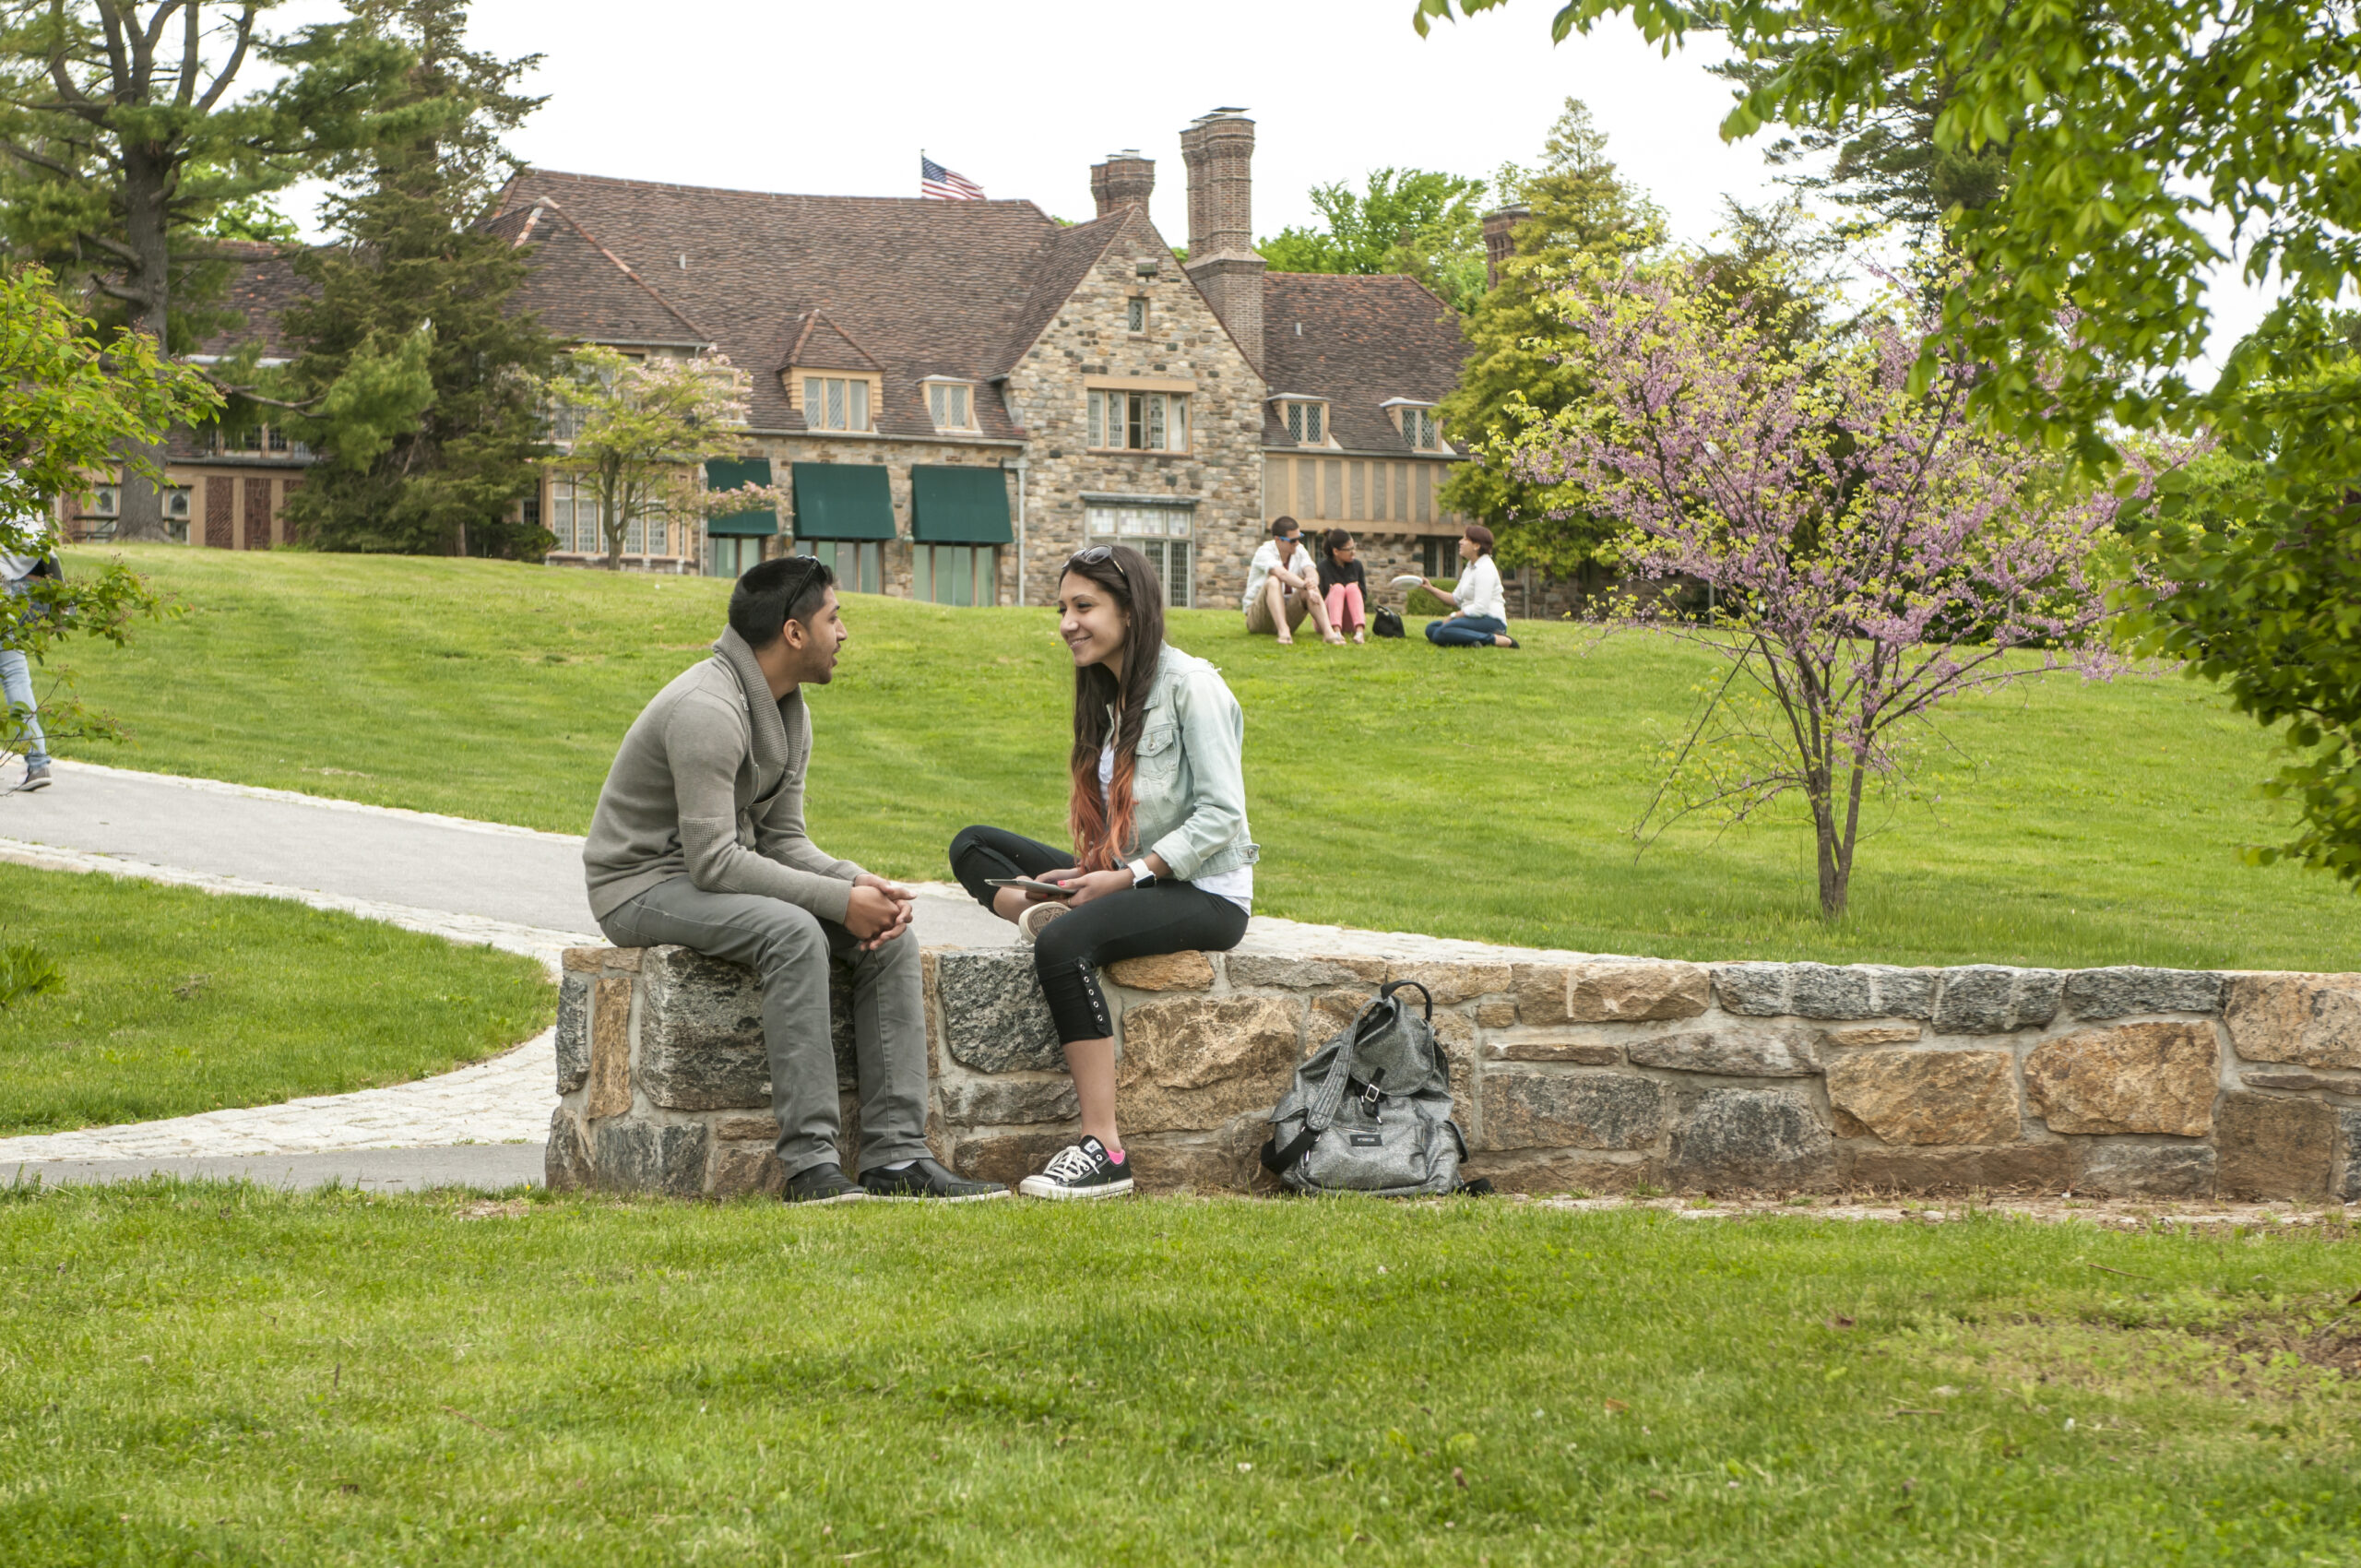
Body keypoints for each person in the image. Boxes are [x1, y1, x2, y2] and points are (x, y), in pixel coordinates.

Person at [585, 555, 1006, 1205]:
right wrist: (839, 902)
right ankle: (810, 1167)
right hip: (639, 886)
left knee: (888, 936)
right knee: (791, 932)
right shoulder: (707, 709)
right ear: (793, 632)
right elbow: (715, 861)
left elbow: (781, 840)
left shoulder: (788, 710)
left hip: (701, 875)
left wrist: (862, 884)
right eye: (834, 617)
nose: (844, 633)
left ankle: (897, 1155)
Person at [950, 544, 1258, 1200]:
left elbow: (1222, 817)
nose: (1067, 622)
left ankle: (1105, 1149)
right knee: (973, 845)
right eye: (1062, 608)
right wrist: (1091, 869)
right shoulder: (1109, 697)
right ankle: (1038, 909)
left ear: (1130, 608)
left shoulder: (1192, 685)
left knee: (1065, 946)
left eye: (1083, 606)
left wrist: (1126, 878)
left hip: (1203, 891)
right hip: (1128, 873)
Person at [0, 539, 55, 792]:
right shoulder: (29, 500)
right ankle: (38, 762)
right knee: (15, 674)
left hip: (9, 588)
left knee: (13, 673)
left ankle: (37, 761)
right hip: (38, 587)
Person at [1241, 517, 1343, 645]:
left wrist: (1311, 584)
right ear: (1278, 539)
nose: (1297, 543)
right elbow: (1281, 574)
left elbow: (1311, 570)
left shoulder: (1299, 550)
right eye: (1293, 540)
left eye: (1299, 537)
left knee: (1311, 587)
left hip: (1288, 613)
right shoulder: (1264, 552)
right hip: (1259, 619)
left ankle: (1329, 634)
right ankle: (1284, 632)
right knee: (1273, 581)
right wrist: (1305, 585)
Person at [1418, 524, 1519, 648]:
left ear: (1476, 546)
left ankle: (1497, 639)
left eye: (1465, 539)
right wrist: (1431, 589)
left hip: (1491, 620)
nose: (1460, 542)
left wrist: (1453, 616)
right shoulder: (1470, 567)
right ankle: (1472, 640)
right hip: (1474, 619)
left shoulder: (1485, 568)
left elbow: (1480, 609)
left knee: (1442, 632)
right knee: (1431, 628)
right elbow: (1456, 598)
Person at [1317, 529, 1368, 644]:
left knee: (1352, 588)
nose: (1353, 552)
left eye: (1353, 547)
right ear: (1336, 551)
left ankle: (1360, 633)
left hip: (1349, 620)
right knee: (1338, 588)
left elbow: (1364, 597)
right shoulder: (1322, 567)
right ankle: (1336, 632)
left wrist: (1356, 590)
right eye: (1349, 549)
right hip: (1326, 621)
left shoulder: (1357, 566)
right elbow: (1318, 600)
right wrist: (1332, 593)